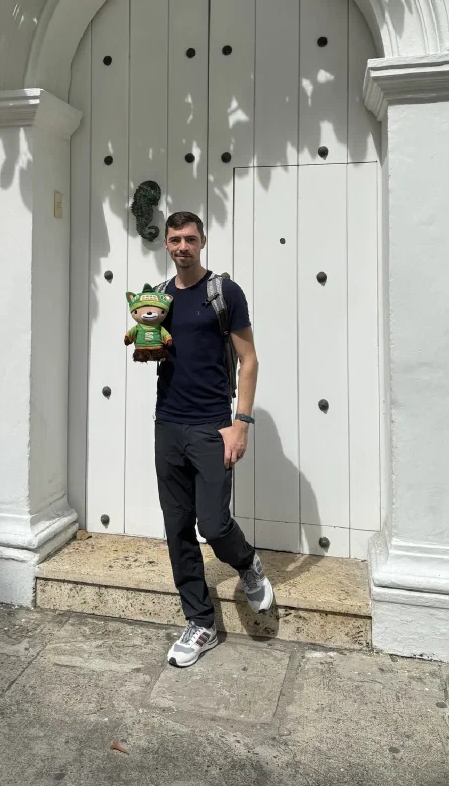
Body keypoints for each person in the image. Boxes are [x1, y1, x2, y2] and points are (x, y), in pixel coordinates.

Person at [153, 210, 273, 668]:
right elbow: (162, 349)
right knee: (177, 528)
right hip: (166, 424)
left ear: (202, 241)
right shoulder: (159, 296)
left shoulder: (224, 292)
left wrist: (240, 422)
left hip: (211, 425)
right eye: (174, 240)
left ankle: (247, 564)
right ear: (166, 245)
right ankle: (200, 623)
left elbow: (249, 360)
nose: (181, 246)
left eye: (189, 239)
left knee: (215, 524)